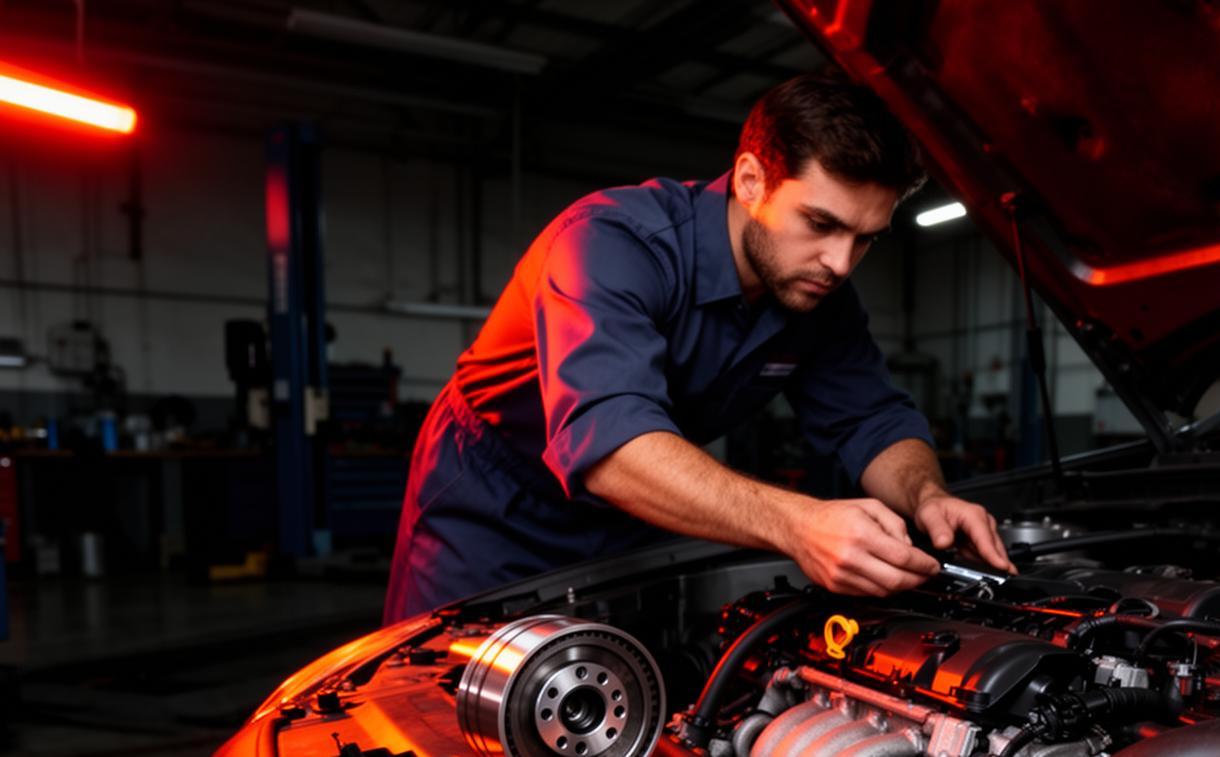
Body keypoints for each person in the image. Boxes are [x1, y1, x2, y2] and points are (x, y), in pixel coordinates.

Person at [383, 74, 1014, 623]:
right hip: (496, 507)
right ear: (750, 180)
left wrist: (928, 495)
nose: (841, 262)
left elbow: (871, 419)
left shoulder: (818, 297)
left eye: (866, 237)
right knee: (439, 707)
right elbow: (609, 447)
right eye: (821, 224)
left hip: (640, 513)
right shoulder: (609, 244)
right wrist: (798, 523)